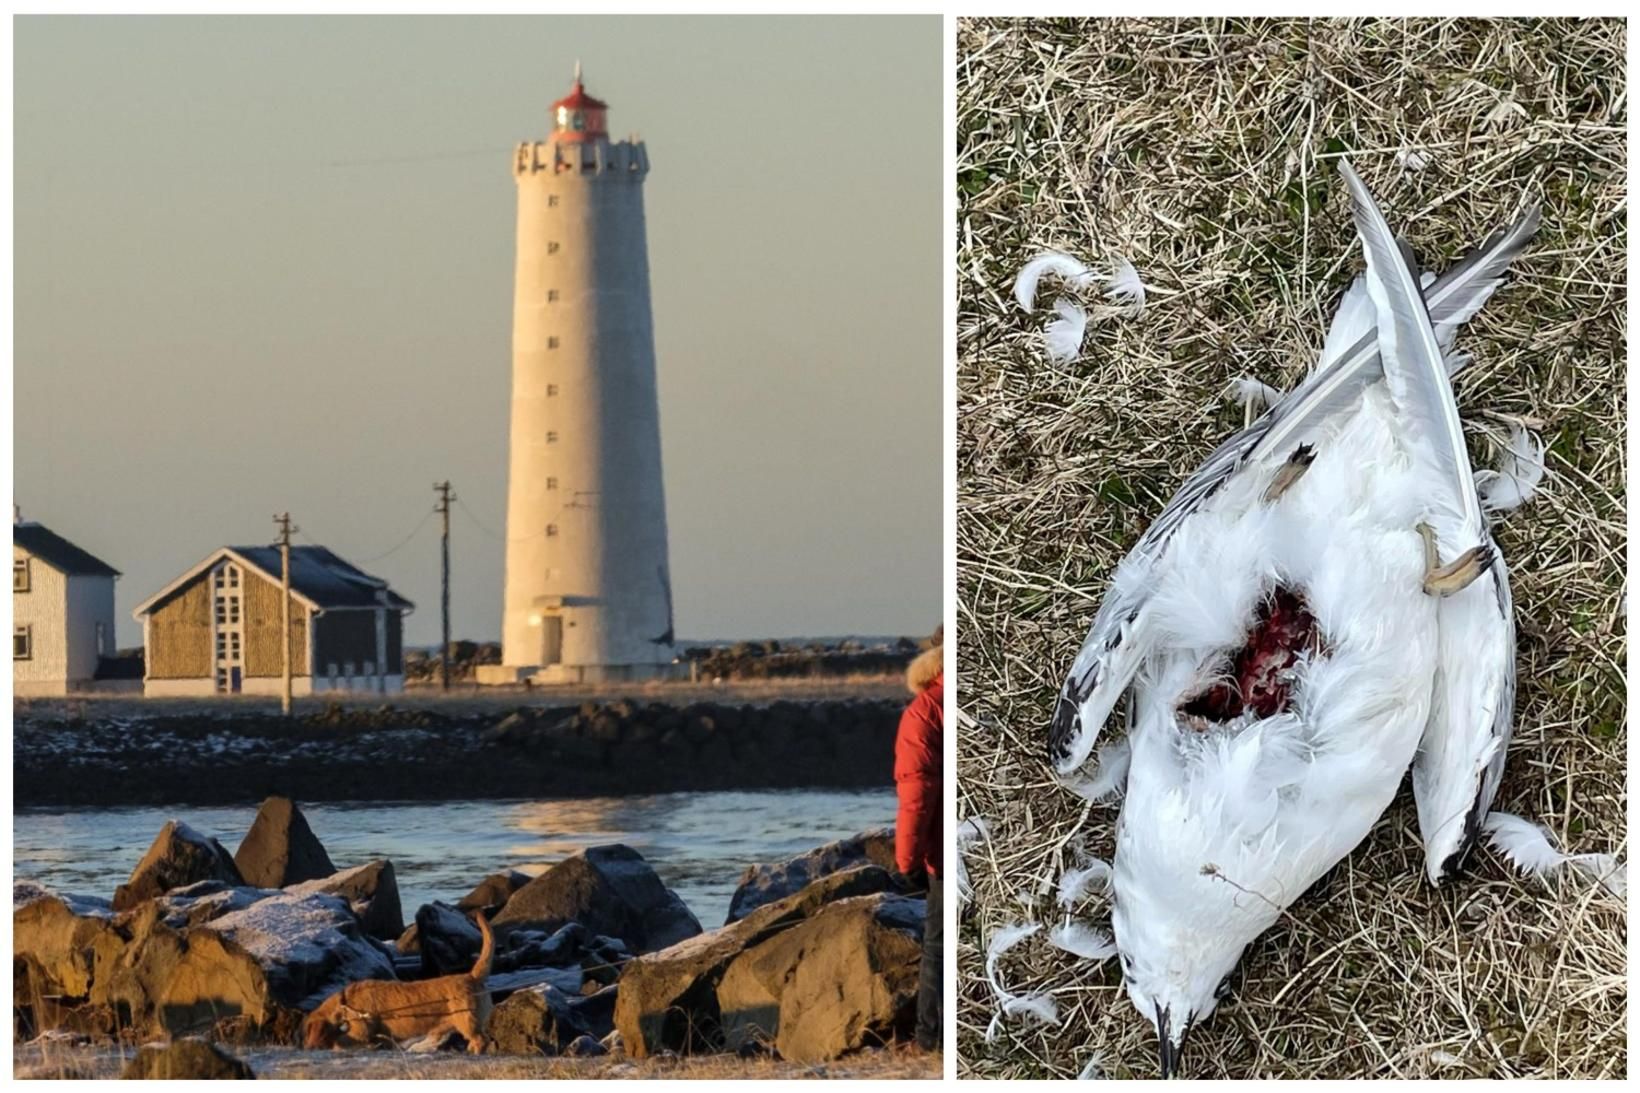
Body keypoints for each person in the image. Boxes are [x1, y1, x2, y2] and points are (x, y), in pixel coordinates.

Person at [894, 631, 944, 1052]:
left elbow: (917, 793)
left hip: (947, 853)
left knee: (938, 945)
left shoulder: (925, 710)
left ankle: (930, 1038)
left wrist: (907, 860)